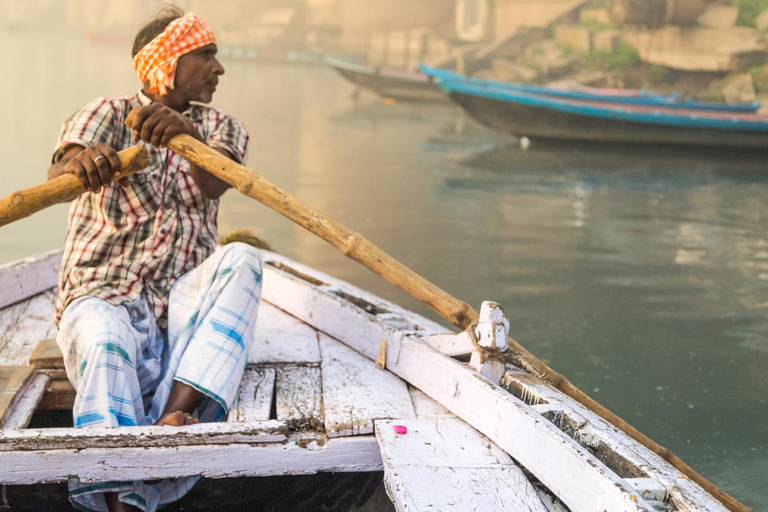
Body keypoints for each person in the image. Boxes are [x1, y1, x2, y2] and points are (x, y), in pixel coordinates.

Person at [46, 7, 262, 512]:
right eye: (206, 55)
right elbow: (60, 171)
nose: (218, 68)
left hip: (179, 311)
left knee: (244, 258)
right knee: (104, 337)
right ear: (168, 61)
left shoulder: (223, 128)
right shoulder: (106, 111)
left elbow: (214, 181)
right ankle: (123, 499)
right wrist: (78, 162)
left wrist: (187, 136)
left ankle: (172, 417)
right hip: (102, 295)